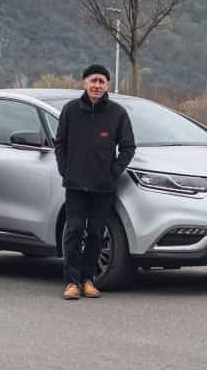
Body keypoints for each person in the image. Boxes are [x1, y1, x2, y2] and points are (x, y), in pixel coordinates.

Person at [54, 64, 136, 300]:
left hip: (103, 186)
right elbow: (60, 143)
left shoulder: (117, 113)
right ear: (84, 83)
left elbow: (128, 147)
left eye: (102, 81)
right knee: (74, 231)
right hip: (75, 184)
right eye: (93, 81)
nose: (97, 85)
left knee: (96, 233)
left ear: (107, 85)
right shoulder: (70, 110)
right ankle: (71, 282)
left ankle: (88, 279)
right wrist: (64, 169)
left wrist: (114, 171)